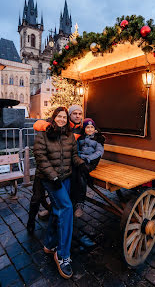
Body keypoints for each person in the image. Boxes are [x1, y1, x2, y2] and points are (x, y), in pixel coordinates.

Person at [33, 106, 87, 279]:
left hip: (66, 178)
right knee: (67, 208)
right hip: (50, 179)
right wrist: (53, 177)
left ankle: (49, 244)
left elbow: (73, 156)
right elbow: (40, 158)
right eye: (59, 116)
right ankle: (62, 254)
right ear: (54, 117)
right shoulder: (44, 134)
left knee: (58, 211)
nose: (62, 119)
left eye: (64, 117)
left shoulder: (70, 135)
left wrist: (82, 164)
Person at [27, 105, 83, 234]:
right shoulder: (50, 126)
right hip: (45, 172)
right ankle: (31, 221)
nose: (77, 116)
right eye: (74, 113)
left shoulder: (81, 128)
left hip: (64, 169)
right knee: (37, 197)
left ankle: (55, 223)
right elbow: (37, 124)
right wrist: (48, 127)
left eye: (79, 113)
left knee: (60, 199)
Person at [75, 118, 105, 217]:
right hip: (82, 160)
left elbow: (99, 152)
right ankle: (72, 196)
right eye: (87, 127)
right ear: (84, 129)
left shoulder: (98, 138)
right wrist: (80, 157)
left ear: (95, 128)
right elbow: (77, 150)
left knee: (81, 170)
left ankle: (80, 202)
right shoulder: (80, 138)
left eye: (92, 127)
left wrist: (88, 158)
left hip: (92, 161)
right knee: (75, 170)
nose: (90, 129)